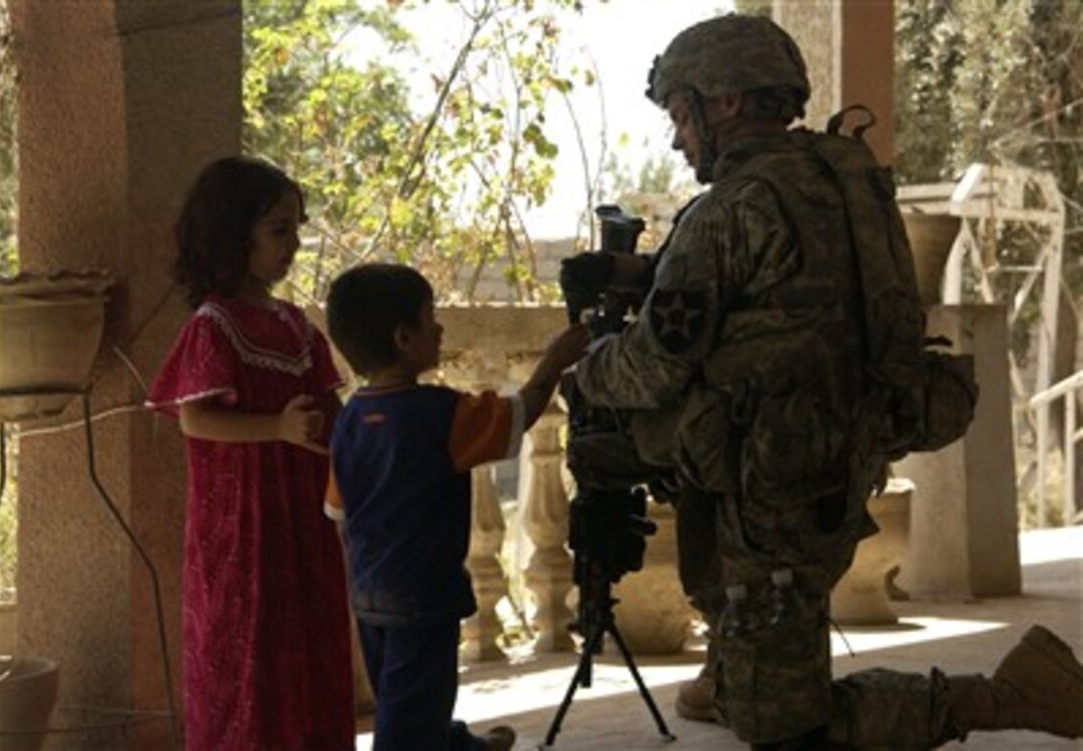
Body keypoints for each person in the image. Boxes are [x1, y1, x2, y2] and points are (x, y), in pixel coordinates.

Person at [561, 13, 1083, 750]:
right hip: (834, 458)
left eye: (682, 114)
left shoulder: (730, 210)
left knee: (785, 727)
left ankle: (1005, 694)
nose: (677, 138)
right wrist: (642, 273)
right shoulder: (836, 184)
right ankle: (741, 677)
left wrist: (587, 372)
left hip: (769, 483)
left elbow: (655, 363)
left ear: (728, 103)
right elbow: (780, 295)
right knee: (760, 680)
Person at [323, 263, 588, 751]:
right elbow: (522, 412)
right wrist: (553, 361)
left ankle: (456, 744)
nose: (440, 327)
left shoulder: (350, 420)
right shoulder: (442, 413)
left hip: (367, 591)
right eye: (431, 318)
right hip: (424, 595)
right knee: (409, 721)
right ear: (405, 338)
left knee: (402, 698)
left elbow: (337, 511)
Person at [146, 156, 354, 751]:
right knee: (247, 654)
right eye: (278, 230)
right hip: (241, 533)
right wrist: (277, 430)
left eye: (297, 228)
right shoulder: (213, 326)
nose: (293, 244)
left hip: (304, 524)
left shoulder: (295, 325)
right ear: (234, 233)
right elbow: (195, 417)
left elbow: (331, 412)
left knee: (307, 649)